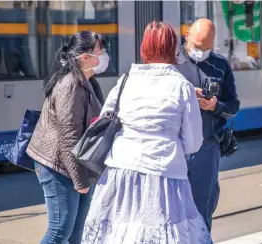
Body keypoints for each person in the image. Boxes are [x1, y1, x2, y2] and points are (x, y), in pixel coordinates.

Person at [81, 21, 212, 244]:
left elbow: (105, 119)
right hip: (165, 175)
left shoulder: (125, 81)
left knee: (120, 234)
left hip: (121, 171)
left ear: (144, 49)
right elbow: (193, 143)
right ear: (173, 49)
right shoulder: (182, 87)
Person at [26, 31, 109, 243]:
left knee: (77, 232)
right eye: (100, 50)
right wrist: (79, 179)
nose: (105, 55)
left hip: (77, 165)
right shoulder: (71, 84)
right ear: (85, 57)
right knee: (60, 231)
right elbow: (69, 135)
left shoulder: (88, 80)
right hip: (58, 166)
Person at [176, 18, 240, 232]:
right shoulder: (171, 63)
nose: (201, 53)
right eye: (197, 47)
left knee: (202, 212)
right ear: (187, 37)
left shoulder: (220, 65)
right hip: (176, 147)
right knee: (173, 210)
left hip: (207, 147)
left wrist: (215, 106)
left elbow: (233, 106)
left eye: (207, 49)